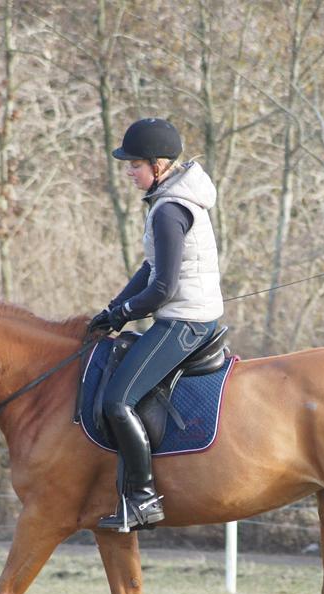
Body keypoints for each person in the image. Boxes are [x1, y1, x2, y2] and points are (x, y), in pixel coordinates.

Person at [88, 118, 224, 532]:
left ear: (159, 165)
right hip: (184, 313)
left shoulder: (169, 210)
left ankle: (143, 498)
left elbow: (161, 289)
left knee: (118, 400)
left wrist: (121, 314)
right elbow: (150, 268)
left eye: (135, 164)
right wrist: (114, 307)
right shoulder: (168, 200)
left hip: (185, 322)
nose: (129, 171)